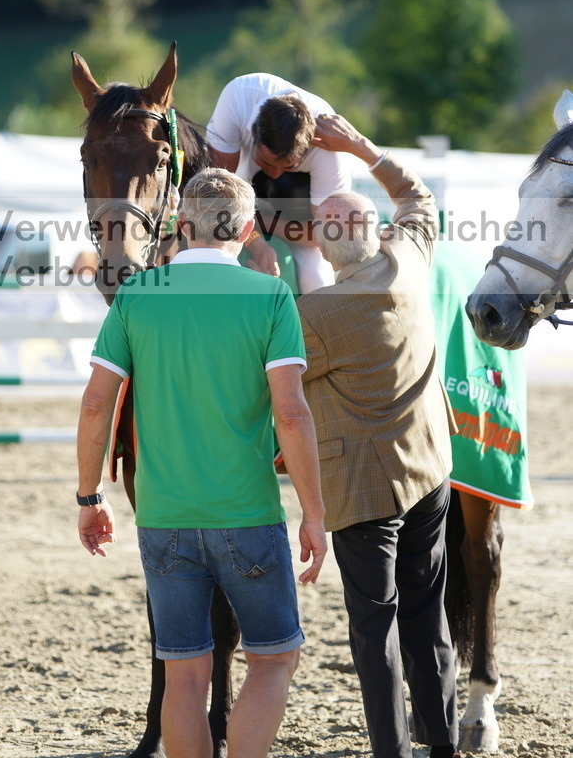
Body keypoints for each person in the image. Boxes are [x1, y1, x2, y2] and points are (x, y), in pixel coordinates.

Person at [76, 167, 327, 758]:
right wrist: (314, 513)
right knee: (274, 657)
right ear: (245, 229)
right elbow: (291, 415)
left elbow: (96, 402)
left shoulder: (138, 295)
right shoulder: (270, 296)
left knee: (184, 674)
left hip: (163, 517)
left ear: (182, 225)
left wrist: (90, 497)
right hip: (247, 513)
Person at [297, 114, 461, 758]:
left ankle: (391, 751)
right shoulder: (411, 259)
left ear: (323, 243)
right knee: (430, 616)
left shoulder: (314, 314)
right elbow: (418, 197)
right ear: (374, 231)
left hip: (363, 493)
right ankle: (443, 743)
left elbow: (276, 387)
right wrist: (361, 148)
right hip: (430, 469)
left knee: (375, 630)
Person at [206, 72, 352, 292]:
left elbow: (326, 234)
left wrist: (260, 222)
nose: (275, 174)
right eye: (266, 162)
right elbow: (213, 191)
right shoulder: (238, 97)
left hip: (298, 214)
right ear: (252, 133)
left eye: (288, 167)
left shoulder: (326, 145)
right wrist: (255, 242)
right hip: (233, 192)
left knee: (318, 282)